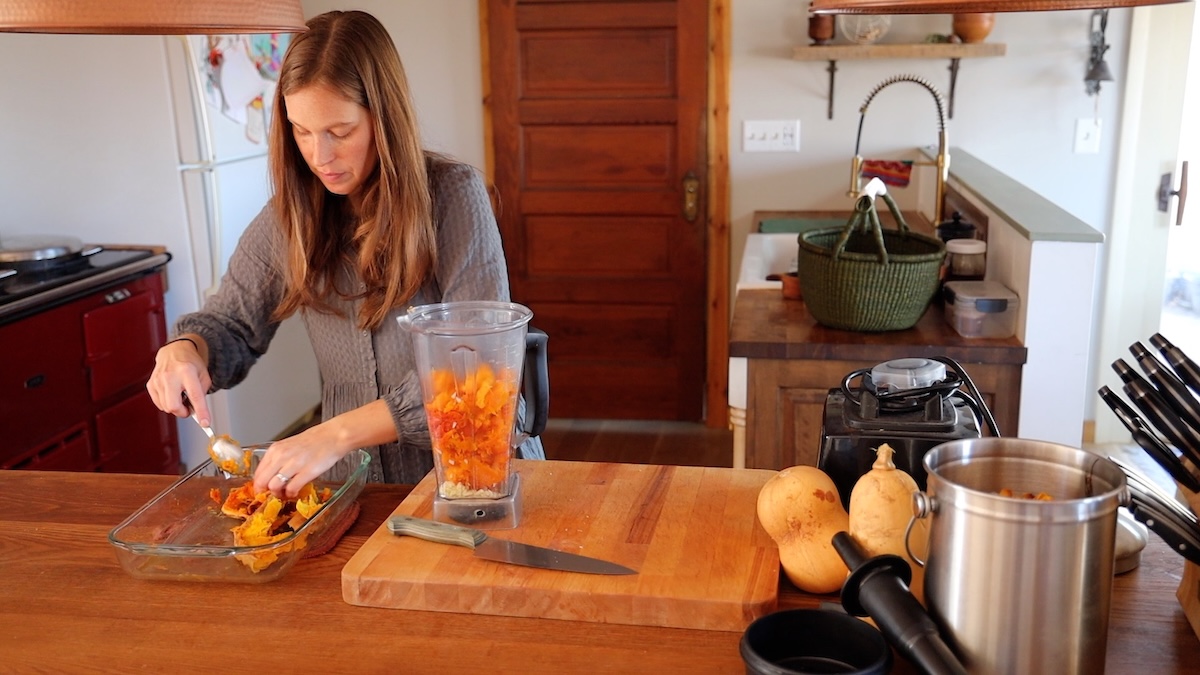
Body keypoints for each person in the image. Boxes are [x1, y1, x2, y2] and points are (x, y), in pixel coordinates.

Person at [146, 10, 543, 496]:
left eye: (340, 131)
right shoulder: (289, 218)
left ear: (384, 118)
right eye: (301, 131)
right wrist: (185, 350)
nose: (319, 156)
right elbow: (228, 325)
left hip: (470, 477)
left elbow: (477, 366)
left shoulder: (453, 196)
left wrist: (332, 435)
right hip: (354, 488)